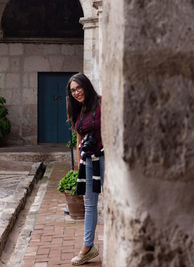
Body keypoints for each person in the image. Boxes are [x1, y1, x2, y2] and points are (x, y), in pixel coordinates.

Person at [66, 73, 104, 265]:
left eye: (78, 88)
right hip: (88, 161)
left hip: (104, 158)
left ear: (86, 86)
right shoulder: (77, 111)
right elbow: (79, 139)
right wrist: (79, 165)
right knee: (89, 204)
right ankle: (87, 247)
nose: (76, 92)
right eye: (72, 90)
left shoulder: (101, 103)